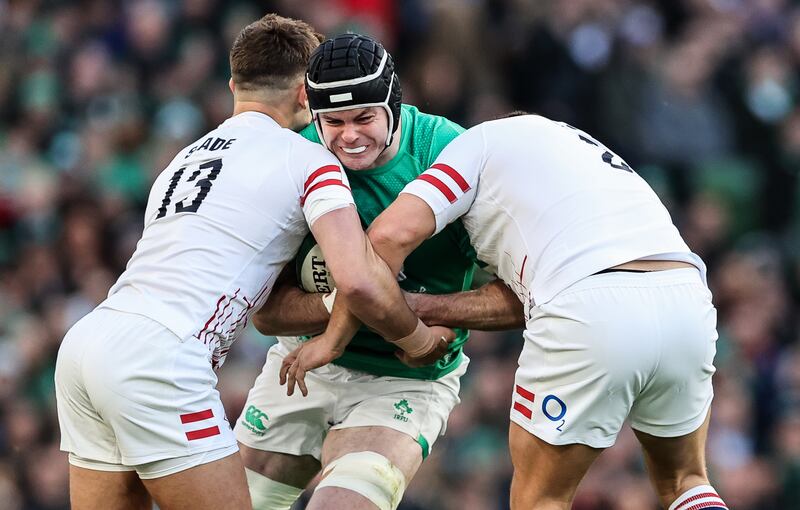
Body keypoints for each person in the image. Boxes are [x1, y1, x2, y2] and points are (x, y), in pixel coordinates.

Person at [54, 16, 449, 510]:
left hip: (89, 343)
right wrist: (418, 338)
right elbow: (359, 278)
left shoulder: (185, 157)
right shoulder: (307, 159)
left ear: (232, 85)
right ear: (309, 95)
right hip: (163, 359)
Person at [287, 113, 728, 510]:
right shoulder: (578, 146)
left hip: (589, 304)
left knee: (542, 498)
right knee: (685, 481)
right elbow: (524, 293)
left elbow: (385, 238)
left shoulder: (476, 144)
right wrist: (424, 307)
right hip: (685, 295)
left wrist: (357, 331)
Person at [234, 33, 524, 510]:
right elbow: (267, 315)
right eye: (335, 121)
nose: (349, 136)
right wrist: (367, 299)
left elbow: (517, 295)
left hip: (405, 381)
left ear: (393, 106)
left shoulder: (449, 152)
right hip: (302, 366)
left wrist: (430, 313)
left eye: (364, 118)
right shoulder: (294, 156)